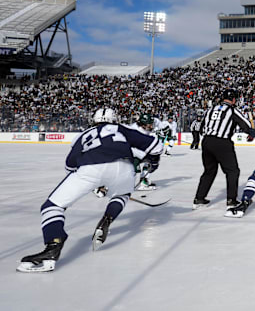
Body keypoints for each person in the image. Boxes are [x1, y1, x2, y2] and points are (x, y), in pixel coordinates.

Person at [16, 107, 163, 273]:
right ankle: (108, 218)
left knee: (52, 207)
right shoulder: (121, 129)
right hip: (124, 167)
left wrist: (91, 182)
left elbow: (70, 165)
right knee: (122, 194)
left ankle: (52, 246)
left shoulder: (83, 135)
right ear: (114, 119)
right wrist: (153, 163)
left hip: (90, 168)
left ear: (94, 120)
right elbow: (156, 146)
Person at [193, 89, 255, 213]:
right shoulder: (232, 110)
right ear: (233, 99)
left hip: (206, 141)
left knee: (209, 171)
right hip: (222, 142)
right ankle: (231, 200)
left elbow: (201, 128)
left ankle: (199, 198)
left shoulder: (211, 109)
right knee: (232, 171)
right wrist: (251, 133)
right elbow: (244, 124)